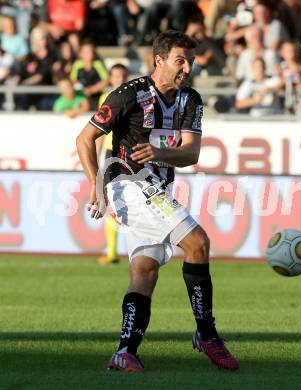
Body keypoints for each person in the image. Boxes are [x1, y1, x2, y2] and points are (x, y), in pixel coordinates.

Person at [76, 30, 239, 372]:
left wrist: (161, 152)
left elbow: (190, 153)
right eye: (180, 60)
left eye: (191, 61)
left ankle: (125, 350)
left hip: (157, 189)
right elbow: (85, 137)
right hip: (129, 184)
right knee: (197, 243)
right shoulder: (128, 95)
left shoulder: (189, 100)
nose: (187, 68)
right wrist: (95, 184)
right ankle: (207, 334)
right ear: (159, 60)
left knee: (145, 270)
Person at [96, 63, 129, 265]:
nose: (119, 79)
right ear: (110, 79)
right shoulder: (105, 98)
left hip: (129, 152)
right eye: (116, 76)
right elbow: (98, 130)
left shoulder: (135, 97)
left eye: (123, 76)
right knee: (111, 199)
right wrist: (97, 154)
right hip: (111, 153)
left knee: (134, 201)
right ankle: (112, 252)